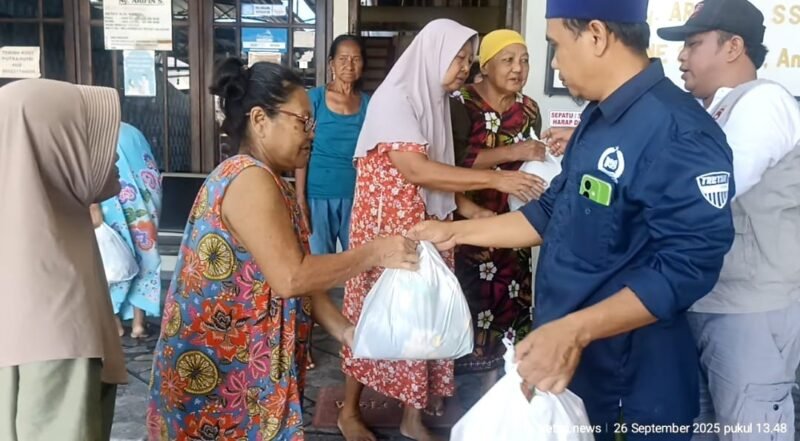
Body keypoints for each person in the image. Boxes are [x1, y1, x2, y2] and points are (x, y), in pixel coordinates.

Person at [409, 1, 737, 439]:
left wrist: (575, 331)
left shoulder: (679, 132)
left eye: (556, 46)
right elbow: (551, 212)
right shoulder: (598, 119)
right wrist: (453, 232)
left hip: (630, 383)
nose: (555, 64)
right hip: (573, 369)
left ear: (597, 36)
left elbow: (687, 266)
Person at [146, 58, 418, 440]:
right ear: (260, 120)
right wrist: (377, 252)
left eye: (313, 123)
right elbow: (293, 276)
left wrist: (347, 332)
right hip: (221, 374)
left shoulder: (272, 182)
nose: (312, 134)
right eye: (302, 122)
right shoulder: (249, 179)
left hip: (241, 369)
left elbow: (302, 274)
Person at [338, 19, 544, 441]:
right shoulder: (395, 98)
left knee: (425, 321)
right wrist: (494, 181)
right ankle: (349, 410)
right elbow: (415, 169)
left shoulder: (437, 102)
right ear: (432, 55)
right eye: (459, 59)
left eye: (469, 61)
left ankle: (412, 419)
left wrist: (469, 211)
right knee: (372, 317)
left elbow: (438, 179)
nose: (465, 69)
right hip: (386, 228)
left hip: (427, 226)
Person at [657, 1, 800, 439]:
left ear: (734, 47)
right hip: (714, 306)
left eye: (694, 44)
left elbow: (712, 190)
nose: (682, 57)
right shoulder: (717, 110)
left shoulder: (763, 103)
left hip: (750, 311)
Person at [0, 79, 127, 441]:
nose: (114, 155)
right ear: (55, 149)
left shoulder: (24, 262)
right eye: (91, 138)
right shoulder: (56, 300)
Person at [450, 29, 546, 384]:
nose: (518, 68)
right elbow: (449, 162)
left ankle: (506, 383)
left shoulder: (529, 109)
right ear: (486, 66)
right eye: (508, 60)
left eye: (524, 60)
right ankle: (456, 389)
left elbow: (533, 156)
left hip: (515, 224)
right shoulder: (460, 103)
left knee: (512, 301)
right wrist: (512, 153)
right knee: (466, 302)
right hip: (469, 222)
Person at [295, 35, 370, 369]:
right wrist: (300, 201)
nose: (349, 66)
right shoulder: (313, 101)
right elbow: (301, 152)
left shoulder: (368, 104)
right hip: (317, 195)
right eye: (342, 59)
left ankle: (361, 340)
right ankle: (304, 344)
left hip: (355, 199)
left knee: (360, 271)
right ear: (330, 63)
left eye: (355, 59)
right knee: (315, 277)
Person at [90, 122, 163, 339]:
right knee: (144, 257)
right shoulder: (134, 131)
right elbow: (152, 173)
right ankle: (139, 324)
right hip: (144, 206)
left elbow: (93, 178)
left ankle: (115, 324)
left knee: (113, 260)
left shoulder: (96, 133)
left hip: (112, 204)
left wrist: (93, 206)